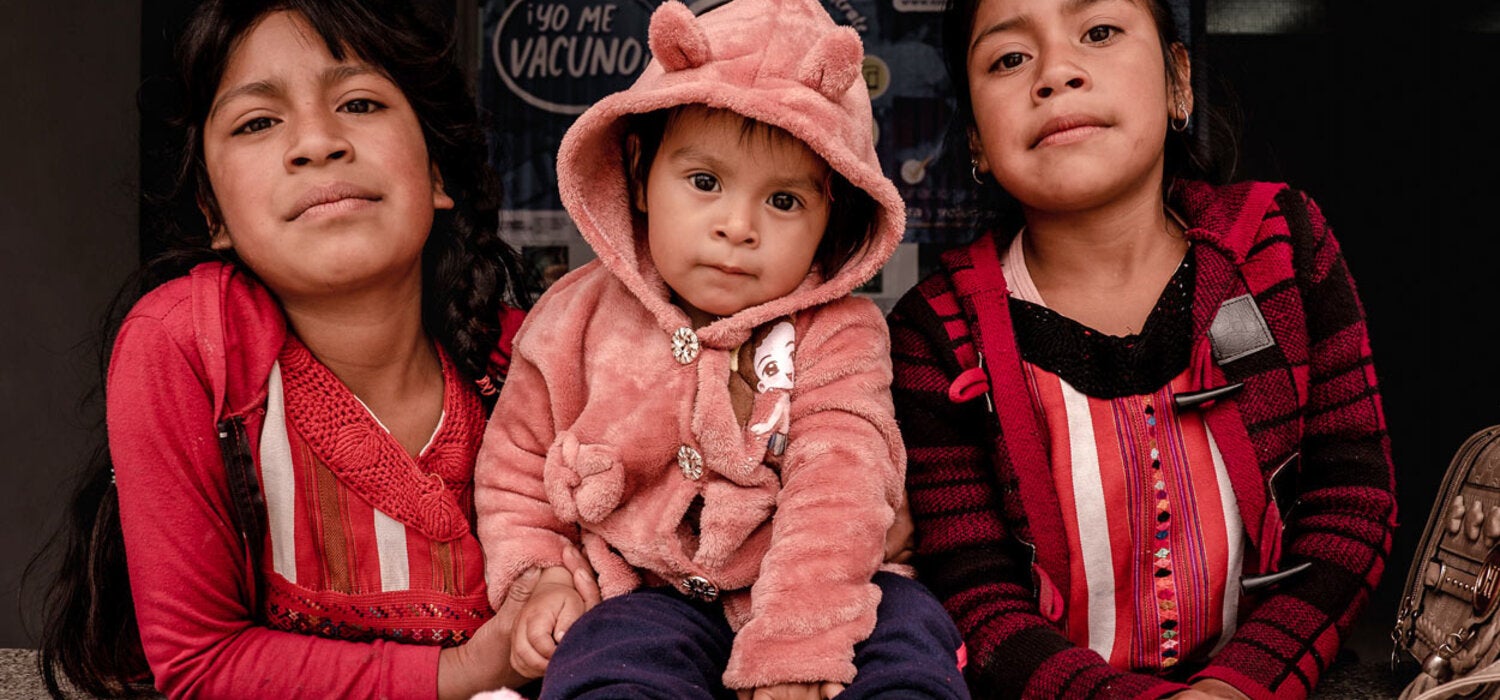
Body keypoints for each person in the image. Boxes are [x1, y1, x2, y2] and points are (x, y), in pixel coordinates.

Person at [32, 1, 601, 698]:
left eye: (359, 103)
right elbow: (200, 665)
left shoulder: (539, 365)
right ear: (214, 214)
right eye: (258, 122)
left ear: (435, 175)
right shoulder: (191, 345)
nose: (316, 142)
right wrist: (458, 671)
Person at [886, 0, 1398, 698]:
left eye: (1099, 32)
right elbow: (976, 597)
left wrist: (1239, 687)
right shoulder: (937, 330)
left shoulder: (1280, 244)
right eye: (1009, 59)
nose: (1056, 73)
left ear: (1178, 81)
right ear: (975, 137)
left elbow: (1352, 506)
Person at [471, 0, 970, 697]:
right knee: (606, 659)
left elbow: (840, 493)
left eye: (785, 202)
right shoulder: (573, 316)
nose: (738, 227)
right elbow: (517, 466)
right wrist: (542, 574)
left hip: (823, 591)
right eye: (704, 183)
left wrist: (797, 648)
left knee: (911, 636)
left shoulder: (841, 330)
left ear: (835, 215)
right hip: (646, 592)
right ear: (641, 172)